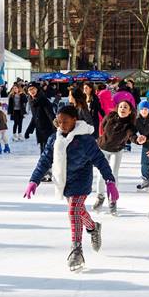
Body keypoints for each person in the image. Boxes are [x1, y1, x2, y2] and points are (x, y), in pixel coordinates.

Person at [24, 105, 117, 272]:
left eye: (65, 122)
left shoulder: (85, 140)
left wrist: (110, 181)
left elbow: (100, 160)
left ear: (75, 120)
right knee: (78, 211)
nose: (61, 125)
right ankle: (93, 227)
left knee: (74, 210)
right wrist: (34, 180)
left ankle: (76, 250)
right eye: (59, 122)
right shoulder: (55, 139)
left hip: (81, 180)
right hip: (64, 181)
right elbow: (45, 160)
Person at [94, 99, 136, 215]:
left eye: (125, 107)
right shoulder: (110, 116)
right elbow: (102, 125)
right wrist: (102, 138)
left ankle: (112, 200)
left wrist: (137, 140)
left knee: (113, 175)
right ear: (117, 108)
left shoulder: (129, 125)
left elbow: (132, 136)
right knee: (101, 174)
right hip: (103, 148)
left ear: (129, 111)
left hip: (117, 151)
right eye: (121, 106)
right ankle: (100, 196)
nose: (122, 109)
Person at [24, 83, 56, 159]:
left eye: (33, 89)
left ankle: (48, 168)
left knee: (47, 151)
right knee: (43, 151)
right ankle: (46, 168)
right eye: (30, 89)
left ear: (37, 89)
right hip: (40, 131)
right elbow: (35, 117)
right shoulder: (32, 101)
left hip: (48, 129)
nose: (32, 91)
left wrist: (56, 127)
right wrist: (29, 130)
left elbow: (51, 115)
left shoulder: (43, 100)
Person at [134, 99, 149, 190]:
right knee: (144, 163)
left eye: (146, 109)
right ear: (139, 110)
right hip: (146, 145)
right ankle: (146, 179)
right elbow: (133, 131)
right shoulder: (137, 121)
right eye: (142, 109)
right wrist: (136, 139)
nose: (144, 111)